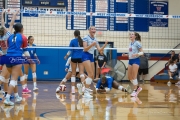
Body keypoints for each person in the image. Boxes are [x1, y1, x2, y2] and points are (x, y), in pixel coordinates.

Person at [4, 23, 33, 106]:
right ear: (22, 29)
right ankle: (7, 98)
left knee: (13, 78)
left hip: (8, 58)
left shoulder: (9, 37)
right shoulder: (23, 37)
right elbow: (26, 51)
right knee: (13, 79)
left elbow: (8, 47)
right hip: (16, 58)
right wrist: (30, 60)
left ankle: (16, 96)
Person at [80, 26, 108, 98]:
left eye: (94, 29)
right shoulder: (86, 37)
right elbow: (85, 49)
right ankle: (86, 90)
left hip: (91, 56)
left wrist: (105, 44)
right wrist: (92, 45)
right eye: (92, 29)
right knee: (90, 73)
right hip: (85, 55)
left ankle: (83, 85)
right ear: (89, 30)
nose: (93, 30)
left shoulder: (95, 39)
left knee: (92, 76)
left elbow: (99, 49)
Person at [0, 9, 19, 99]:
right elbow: (11, 23)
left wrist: (2, 13)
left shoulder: (1, 37)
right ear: (4, 31)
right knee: (4, 77)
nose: (4, 27)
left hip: (3, 56)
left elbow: (3, 24)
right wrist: (15, 13)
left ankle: (6, 92)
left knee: (6, 77)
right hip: (9, 56)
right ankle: (9, 93)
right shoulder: (8, 35)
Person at [122, 32, 143, 97]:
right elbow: (131, 53)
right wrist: (126, 55)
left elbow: (142, 52)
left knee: (134, 76)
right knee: (129, 77)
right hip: (130, 60)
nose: (130, 35)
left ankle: (135, 91)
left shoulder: (137, 43)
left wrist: (137, 54)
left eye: (132, 34)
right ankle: (138, 87)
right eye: (130, 34)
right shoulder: (130, 44)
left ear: (135, 36)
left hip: (136, 60)